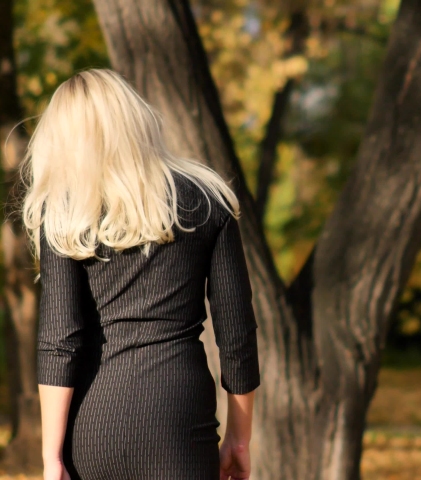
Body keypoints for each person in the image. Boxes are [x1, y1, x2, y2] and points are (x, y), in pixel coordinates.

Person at [20, 68, 260, 480]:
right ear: (135, 118)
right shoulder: (207, 198)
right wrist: (239, 438)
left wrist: (51, 456)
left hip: (93, 428)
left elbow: (59, 341)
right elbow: (237, 336)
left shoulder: (63, 215)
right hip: (180, 425)